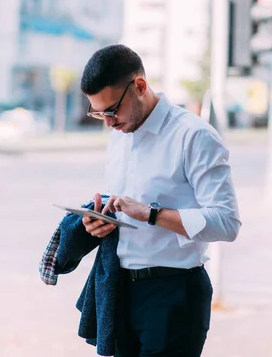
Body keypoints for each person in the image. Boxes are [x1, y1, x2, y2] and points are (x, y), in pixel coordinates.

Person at [79, 44, 241, 357]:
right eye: (98, 112)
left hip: (174, 294)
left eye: (111, 110)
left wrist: (151, 214)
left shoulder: (194, 136)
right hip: (120, 290)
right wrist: (101, 222)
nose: (108, 123)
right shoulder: (119, 136)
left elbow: (227, 222)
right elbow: (122, 208)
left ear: (139, 86)